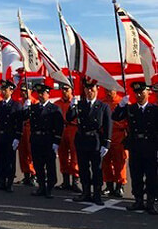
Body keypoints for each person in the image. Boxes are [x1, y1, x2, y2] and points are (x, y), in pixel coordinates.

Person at [112, 82, 157, 214]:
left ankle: (150, 202)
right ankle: (138, 200)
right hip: (135, 146)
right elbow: (115, 117)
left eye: (141, 93)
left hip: (150, 146)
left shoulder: (154, 110)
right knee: (136, 175)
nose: (139, 95)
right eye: (136, 93)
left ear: (148, 93)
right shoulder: (130, 109)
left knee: (151, 176)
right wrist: (121, 106)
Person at [66, 79, 112, 205]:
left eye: (92, 89)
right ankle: (85, 192)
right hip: (81, 140)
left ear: (97, 89)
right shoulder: (80, 104)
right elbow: (69, 118)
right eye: (87, 89)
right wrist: (71, 106)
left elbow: (108, 126)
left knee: (97, 169)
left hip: (95, 141)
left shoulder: (103, 106)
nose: (89, 91)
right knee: (83, 168)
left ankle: (97, 194)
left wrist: (106, 143)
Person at [25, 83, 64, 198]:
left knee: (50, 164)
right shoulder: (34, 108)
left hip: (48, 139)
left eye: (43, 93)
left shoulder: (54, 109)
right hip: (37, 139)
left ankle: (50, 187)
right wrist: (25, 108)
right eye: (39, 93)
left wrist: (56, 142)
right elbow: (23, 117)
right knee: (38, 164)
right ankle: (41, 186)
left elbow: (59, 126)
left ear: (48, 94)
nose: (41, 95)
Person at [101, 88, 128, 197]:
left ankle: (120, 186)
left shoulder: (122, 102)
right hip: (106, 135)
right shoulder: (102, 103)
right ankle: (109, 185)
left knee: (119, 162)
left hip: (118, 135)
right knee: (106, 162)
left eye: (111, 89)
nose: (109, 92)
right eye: (107, 89)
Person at [55, 83, 81, 192]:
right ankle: (65, 181)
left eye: (67, 89)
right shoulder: (57, 103)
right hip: (62, 130)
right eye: (63, 89)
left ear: (71, 90)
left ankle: (75, 181)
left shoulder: (76, 103)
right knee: (63, 155)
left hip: (73, 129)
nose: (64, 92)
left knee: (75, 156)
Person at [18, 83, 36, 186]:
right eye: (22, 90)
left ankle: (34, 174)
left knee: (31, 153)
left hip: (30, 129)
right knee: (22, 153)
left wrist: (30, 108)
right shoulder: (20, 102)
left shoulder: (34, 102)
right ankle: (26, 175)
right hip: (22, 129)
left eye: (26, 91)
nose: (23, 93)